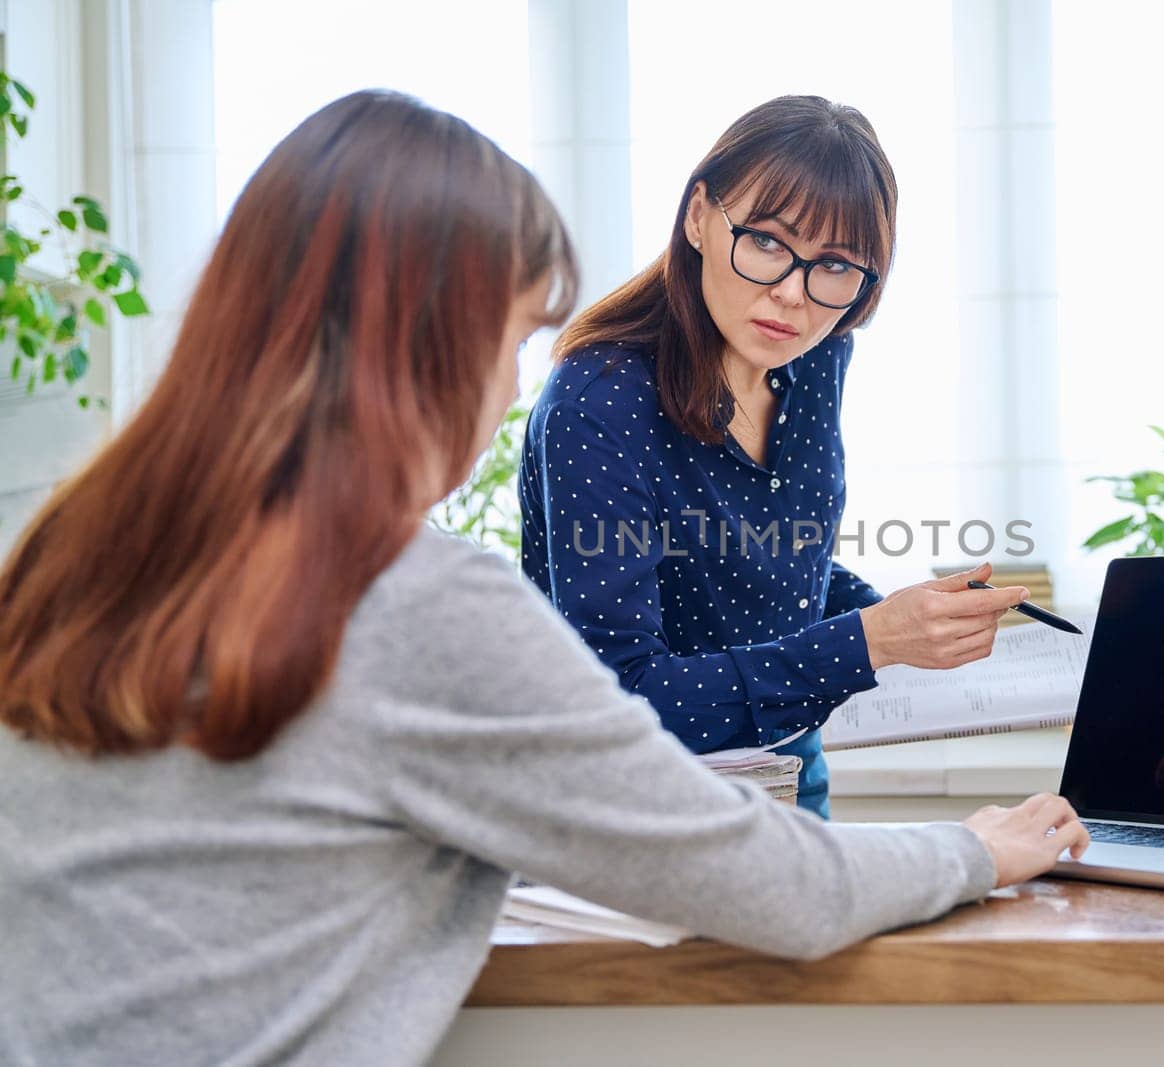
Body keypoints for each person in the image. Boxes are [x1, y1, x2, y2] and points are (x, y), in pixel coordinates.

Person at [0, 91, 1088, 1066]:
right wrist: (975, 846)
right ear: (434, 343)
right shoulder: (424, 599)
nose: (515, 389)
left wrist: (884, 615)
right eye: (514, 337)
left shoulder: (65, 550)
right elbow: (785, 887)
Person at [520, 95, 1029, 816]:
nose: (793, 294)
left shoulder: (816, 356)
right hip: (631, 805)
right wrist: (868, 641)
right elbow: (624, 697)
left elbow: (767, 562)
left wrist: (908, 617)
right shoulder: (600, 400)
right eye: (765, 241)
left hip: (787, 769)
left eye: (836, 266)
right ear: (699, 215)